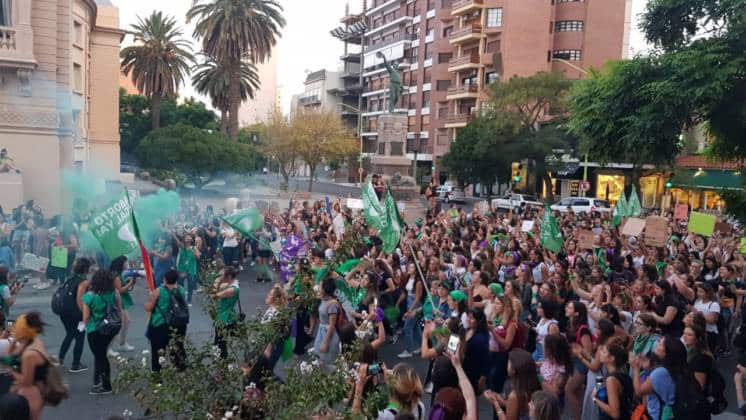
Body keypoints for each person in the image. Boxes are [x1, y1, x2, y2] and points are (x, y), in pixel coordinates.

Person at [82, 269, 122, 395]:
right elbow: (119, 310)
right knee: (101, 353)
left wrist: (87, 325)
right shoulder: (114, 293)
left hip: (95, 329)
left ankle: (106, 386)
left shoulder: (89, 296)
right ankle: (97, 380)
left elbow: (86, 317)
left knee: (100, 356)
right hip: (112, 327)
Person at [631, 336, 685, 420]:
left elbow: (639, 391)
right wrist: (647, 370)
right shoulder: (675, 367)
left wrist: (636, 368)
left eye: (660, 344)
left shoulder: (660, 372)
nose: (657, 345)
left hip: (658, 415)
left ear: (666, 352)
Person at [7, 312, 49, 420]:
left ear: (22, 331)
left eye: (16, 327)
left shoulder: (29, 355)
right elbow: (11, 355)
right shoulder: (31, 340)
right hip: (31, 391)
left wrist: (11, 371)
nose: (14, 329)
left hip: (32, 394)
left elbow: (26, 382)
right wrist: (14, 339)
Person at [144, 269, 187, 372]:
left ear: (164, 279)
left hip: (160, 325)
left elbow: (148, 308)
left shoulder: (158, 291)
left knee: (158, 352)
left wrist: (150, 296)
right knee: (177, 349)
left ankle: (157, 377)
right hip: (179, 324)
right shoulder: (181, 290)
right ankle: (181, 373)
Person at [485, 349, 540, 420]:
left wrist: (495, 403)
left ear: (514, 370)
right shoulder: (534, 385)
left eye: (509, 362)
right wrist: (501, 400)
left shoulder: (515, 396)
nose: (507, 364)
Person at [57, 257, 91, 373]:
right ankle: (76, 364)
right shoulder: (83, 282)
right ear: (86, 269)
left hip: (64, 312)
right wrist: (84, 315)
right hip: (76, 314)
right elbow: (79, 300)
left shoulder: (70, 278)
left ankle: (60, 358)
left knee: (70, 334)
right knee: (80, 337)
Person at [592, 340, 633, 420]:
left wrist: (594, 399)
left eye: (604, 352)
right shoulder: (624, 374)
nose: (600, 353)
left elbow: (615, 414)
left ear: (611, 358)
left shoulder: (611, 380)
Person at [213, 267, 240, 358]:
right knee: (220, 343)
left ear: (228, 276)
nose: (221, 277)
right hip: (225, 315)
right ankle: (223, 366)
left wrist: (217, 281)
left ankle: (223, 367)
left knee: (220, 344)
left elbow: (214, 295)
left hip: (225, 318)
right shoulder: (232, 284)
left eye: (222, 275)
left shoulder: (231, 289)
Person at [314, 276, 340, 370]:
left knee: (328, 362)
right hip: (321, 331)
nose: (318, 288)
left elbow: (332, 325)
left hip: (328, 333)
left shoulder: (332, 304)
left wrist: (325, 342)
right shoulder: (324, 298)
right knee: (320, 358)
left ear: (325, 289)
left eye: (320, 286)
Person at [110, 256, 135, 353]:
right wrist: (130, 283)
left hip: (120, 301)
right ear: (121, 264)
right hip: (118, 301)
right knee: (119, 324)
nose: (127, 264)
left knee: (126, 322)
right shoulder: (116, 276)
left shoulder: (118, 274)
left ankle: (122, 343)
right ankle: (110, 347)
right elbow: (119, 290)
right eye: (126, 262)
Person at [176, 234, 201, 305]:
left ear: (191, 240)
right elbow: (177, 241)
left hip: (191, 269)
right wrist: (172, 232)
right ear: (184, 239)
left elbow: (198, 257)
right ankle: (182, 299)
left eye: (189, 238)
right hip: (182, 269)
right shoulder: (181, 247)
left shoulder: (194, 248)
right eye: (186, 238)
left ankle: (189, 300)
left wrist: (192, 251)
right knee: (180, 285)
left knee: (190, 285)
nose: (188, 239)